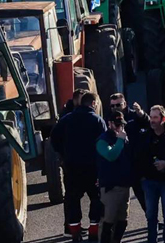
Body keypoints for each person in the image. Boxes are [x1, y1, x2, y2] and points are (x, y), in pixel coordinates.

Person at [51, 91, 107, 242]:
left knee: (72, 199)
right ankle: (93, 232)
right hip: (93, 169)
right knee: (96, 199)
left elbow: (54, 138)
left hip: (72, 167)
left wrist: (64, 154)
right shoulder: (98, 121)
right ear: (94, 104)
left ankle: (75, 233)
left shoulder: (66, 120)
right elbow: (105, 143)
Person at [141, 105, 165, 243]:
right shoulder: (145, 136)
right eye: (151, 117)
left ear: (163, 119)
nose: (152, 120)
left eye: (155, 117)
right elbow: (139, 157)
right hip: (149, 181)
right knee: (151, 215)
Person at [97, 111, 134, 243]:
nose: (120, 128)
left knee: (123, 220)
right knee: (108, 220)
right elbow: (111, 155)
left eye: (121, 125)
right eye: (117, 125)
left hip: (124, 185)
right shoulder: (102, 140)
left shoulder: (125, 138)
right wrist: (120, 140)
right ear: (109, 124)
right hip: (110, 187)